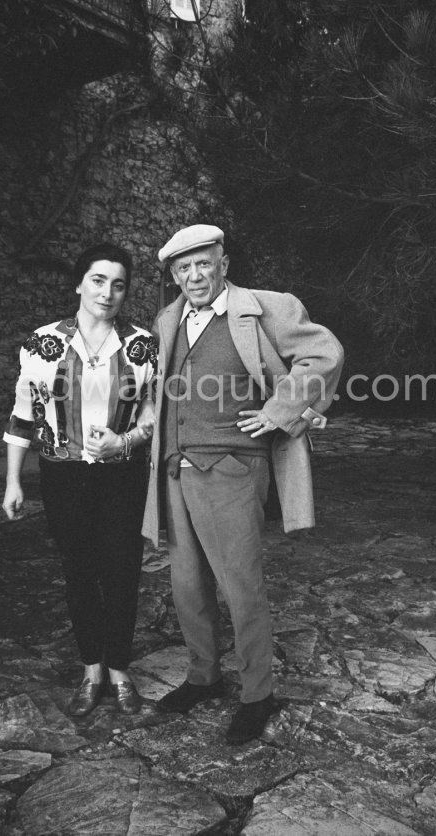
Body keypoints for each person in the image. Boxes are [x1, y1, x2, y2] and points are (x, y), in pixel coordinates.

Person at [142, 224, 344, 744]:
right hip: (174, 469)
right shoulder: (168, 320)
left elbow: (325, 354)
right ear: (174, 276)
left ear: (223, 264)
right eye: (183, 268)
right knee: (186, 585)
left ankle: (258, 694)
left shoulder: (264, 307)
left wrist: (280, 410)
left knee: (240, 585)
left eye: (204, 264)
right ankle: (203, 677)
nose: (195, 275)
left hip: (233, 467)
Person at [2, 242, 156, 717]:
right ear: (78, 283)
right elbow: (21, 417)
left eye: (118, 284)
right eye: (98, 280)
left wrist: (124, 442)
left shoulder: (142, 344)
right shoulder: (41, 343)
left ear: (126, 291)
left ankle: (120, 670)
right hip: (61, 475)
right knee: (79, 573)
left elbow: (153, 419)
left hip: (122, 478)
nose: (107, 293)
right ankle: (91, 667)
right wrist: (13, 481)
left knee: (122, 570)